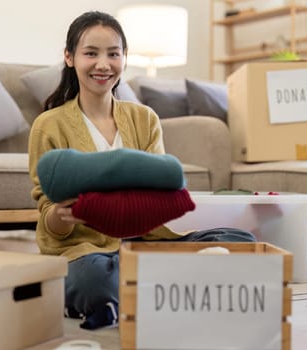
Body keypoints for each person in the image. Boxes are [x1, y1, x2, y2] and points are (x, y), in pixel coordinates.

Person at [28, 10, 255, 330]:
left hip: (145, 243)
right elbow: (48, 216)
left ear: (124, 58)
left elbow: (160, 193)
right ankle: (164, 285)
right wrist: (61, 217)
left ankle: (134, 288)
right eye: (90, 53)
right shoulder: (48, 125)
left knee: (240, 241)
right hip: (85, 254)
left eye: (113, 53)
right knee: (93, 280)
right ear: (69, 58)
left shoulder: (145, 118)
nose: (103, 64)